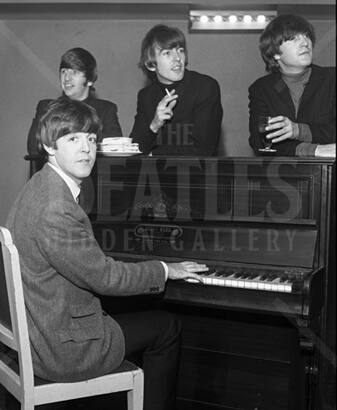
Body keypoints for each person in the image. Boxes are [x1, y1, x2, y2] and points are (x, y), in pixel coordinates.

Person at [7, 97, 207, 410]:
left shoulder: (38, 185)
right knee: (167, 326)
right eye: (72, 139)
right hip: (63, 349)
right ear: (49, 146)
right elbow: (106, 277)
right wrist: (166, 269)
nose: (86, 148)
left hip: (41, 329)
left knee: (130, 309)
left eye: (91, 138)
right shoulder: (56, 208)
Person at [248, 14, 335, 157]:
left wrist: (298, 130)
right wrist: (314, 150)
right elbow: (260, 143)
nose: (305, 43)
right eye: (293, 38)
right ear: (275, 53)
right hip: (284, 175)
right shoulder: (261, 89)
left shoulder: (332, 79)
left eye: (306, 36)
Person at [130, 24, 223, 156]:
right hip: (155, 176)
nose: (177, 58)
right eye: (167, 53)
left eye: (180, 50)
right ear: (151, 64)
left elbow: (203, 150)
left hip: (197, 175)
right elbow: (135, 149)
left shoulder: (205, 87)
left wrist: (153, 154)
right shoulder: (146, 96)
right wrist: (154, 125)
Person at [27, 47, 122, 156]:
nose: (67, 78)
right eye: (63, 72)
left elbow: (115, 150)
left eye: (75, 72)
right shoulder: (47, 108)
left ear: (90, 80)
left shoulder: (106, 109)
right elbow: (34, 149)